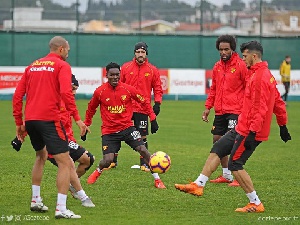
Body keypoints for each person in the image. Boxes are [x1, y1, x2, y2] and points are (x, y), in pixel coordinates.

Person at [175, 40, 291, 213]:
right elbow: (279, 103)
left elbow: (261, 108)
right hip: (243, 125)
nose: (243, 59)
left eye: (244, 56)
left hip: (251, 129)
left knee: (236, 164)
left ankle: (256, 203)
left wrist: (253, 133)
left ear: (254, 56)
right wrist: (283, 125)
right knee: (218, 147)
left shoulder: (260, 77)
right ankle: (198, 185)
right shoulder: (259, 73)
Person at [12, 36, 89, 219]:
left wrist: (18, 123)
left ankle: (36, 200)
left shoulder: (32, 66)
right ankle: (61, 208)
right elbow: (65, 92)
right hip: (49, 120)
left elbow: (17, 95)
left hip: (31, 120)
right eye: (68, 50)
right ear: (61, 49)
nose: (68, 53)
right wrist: (77, 118)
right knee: (65, 162)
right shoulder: (62, 66)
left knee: (41, 156)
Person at [11, 75, 96, 206]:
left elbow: (71, 117)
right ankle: (80, 196)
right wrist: (21, 137)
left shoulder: (68, 101)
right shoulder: (52, 100)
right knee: (69, 165)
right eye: (72, 88)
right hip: (54, 140)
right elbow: (38, 119)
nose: (74, 92)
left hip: (67, 138)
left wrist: (81, 125)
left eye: (76, 90)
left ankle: (70, 185)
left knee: (87, 160)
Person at [85, 62, 166, 189]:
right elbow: (91, 109)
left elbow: (144, 101)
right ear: (107, 75)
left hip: (127, 128)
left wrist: (153, 118)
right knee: (107, 160)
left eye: (117, 75)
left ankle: (157, 180)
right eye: (112, 75)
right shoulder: (100, 92)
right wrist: (86, 125)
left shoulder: (128, 89)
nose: (115, 77)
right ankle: (98, 171)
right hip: (109, 132)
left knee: (143, 150)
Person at [202, 35, 248, 187]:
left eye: (226, 49)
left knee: (233, 142)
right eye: (221, 49)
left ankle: (238, 175)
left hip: (236, 110)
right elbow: (213, 89)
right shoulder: (217, 66)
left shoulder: (241, 65)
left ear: (232, 49)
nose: (223, 52)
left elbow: (248, 87)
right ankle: (226, 175)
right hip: (220, 111)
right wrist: (208, 107)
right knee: (217, 140)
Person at [110, 42, 163, 172]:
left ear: (146, 54)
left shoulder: (152, 70)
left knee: (142, 136)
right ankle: (112, 161)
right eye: (138, 52)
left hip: (142, 108)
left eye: (143, 52)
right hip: (125, 108)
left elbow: (157, 88)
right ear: (134, 53)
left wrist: (157, 102)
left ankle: (144, 163)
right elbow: (118, 85)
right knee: (117, 133)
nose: (140, 54)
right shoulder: (126, 67)